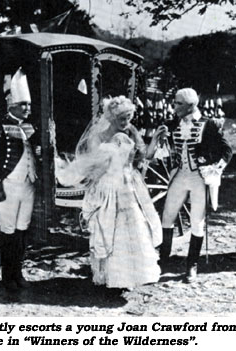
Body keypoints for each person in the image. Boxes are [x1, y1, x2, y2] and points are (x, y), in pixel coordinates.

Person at [56, 96, 163, 290]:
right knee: (109, 228)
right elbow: (94, 164)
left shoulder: (131, 131)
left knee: (136, 225)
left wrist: (154, 139)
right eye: (122, 119)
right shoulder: (98, 136)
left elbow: (144, 155)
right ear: (112, 118)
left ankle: (134, 275)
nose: (126, 122)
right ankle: (113, 277)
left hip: (129, 184)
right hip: (108, 184)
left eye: (128, 117)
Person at [158, 88, 232, 283]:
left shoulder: (209, 124)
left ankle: (192, 265)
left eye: (178, 104)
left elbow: (226, 151)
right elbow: (164, 149)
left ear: (190, 106)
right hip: (179, 176)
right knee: (166, 218)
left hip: (199, 179)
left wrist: (215, 170)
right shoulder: (172, 124)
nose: (174, 107)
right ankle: (163, 260)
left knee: (197, 222)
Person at [0, 67, 39, 291]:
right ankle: (8, 276)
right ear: (11, 104)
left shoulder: (32, 127)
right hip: (8, 184)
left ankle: (18, 272)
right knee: (8, 230)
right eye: (23, 104)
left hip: (28, 184)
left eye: (29, 105)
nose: (27, 109)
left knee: (23, 230)